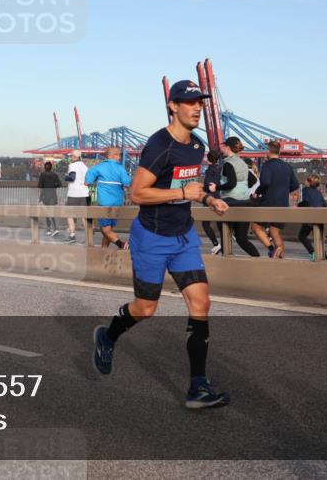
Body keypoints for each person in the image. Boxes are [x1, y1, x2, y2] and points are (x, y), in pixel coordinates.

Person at [92, 79, 230, 409]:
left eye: (201, 102)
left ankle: (198, 386)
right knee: (146, 309)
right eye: (190, 102)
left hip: (183, 237)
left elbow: (188, 183)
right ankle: (107, 336)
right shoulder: (159, 145)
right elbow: (138, 193)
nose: (198, 107)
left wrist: (207, 198)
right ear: (173, 106)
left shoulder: (195, 146)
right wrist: (183, 194)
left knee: (201, 304)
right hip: (152, 238)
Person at [217, 137, 262, 257]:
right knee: (242, 239)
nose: (222, 150)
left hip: (230, 203)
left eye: (223, 147)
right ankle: (258, 260)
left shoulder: (228, 164)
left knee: (224, 235)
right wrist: (244, 190)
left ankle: (226, 261)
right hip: (245, 203)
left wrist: (215, 188)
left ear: (228, 148)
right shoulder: (243, 163)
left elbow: (231, 183)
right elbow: (252, 180)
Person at [255, 140, 299, 259]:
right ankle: (281, 259)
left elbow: (265, 182)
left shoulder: (267, 165)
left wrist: (257, 192)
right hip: (282, 203)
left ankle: (272, 249)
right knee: (275, 233)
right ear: (279, 151)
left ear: (268, 151)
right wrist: (283, 191)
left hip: (268, 202)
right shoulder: (287, 166)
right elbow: (295, 185)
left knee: (256, 226)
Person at [84, 147, 133, 249]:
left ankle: (121, 244)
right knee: (108, 229)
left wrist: (89, 182)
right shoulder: (120, 168)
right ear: (113, 156)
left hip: (104, 203)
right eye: (119, 155)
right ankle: (104, 251)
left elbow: (88, 180)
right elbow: (127, 183)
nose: (120, 157)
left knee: (106, 230)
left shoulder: (99, 167)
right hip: (118, 202)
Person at [297, 175, 327, 261]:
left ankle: (313, 252)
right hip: (320, 216)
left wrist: (298, 206)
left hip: (310, 217)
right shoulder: (318, 192)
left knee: (302, 236)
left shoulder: (305, 190)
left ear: (308, 182)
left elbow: (305, 202)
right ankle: (325, 257)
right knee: (319, 238)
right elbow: (324, 205)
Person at [64, 150, 90, 243]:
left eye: (71, 156)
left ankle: (72, 236)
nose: (71, 157)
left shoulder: (72, 165)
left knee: (70, 215)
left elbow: (72, 178)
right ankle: (88, 236)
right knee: (84, 216)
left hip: (74, 194)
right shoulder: (85, 166)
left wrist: (65, 176)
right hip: (85, 194)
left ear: (75, 157)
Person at [201, 151, 223, 254]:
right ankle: (223, 244)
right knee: (220, 223)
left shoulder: (209, 170)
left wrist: (202, 187)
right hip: (219, 197)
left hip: (210, 199)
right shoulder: (220, 168)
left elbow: (208, 186)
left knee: (205, 224)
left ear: (208, 159)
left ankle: (216, 244)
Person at [37, 160, 63, 236]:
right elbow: (60, 184)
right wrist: (54, 185)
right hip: (53, 195)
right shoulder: (55, 175)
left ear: (45, 168)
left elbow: (40, 186)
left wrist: (40, 198)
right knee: (51, 212)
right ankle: (55, 228)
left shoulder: (42, 174)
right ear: (51, 167)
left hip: (45, 196)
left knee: (47, 213)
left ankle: (49, 229)